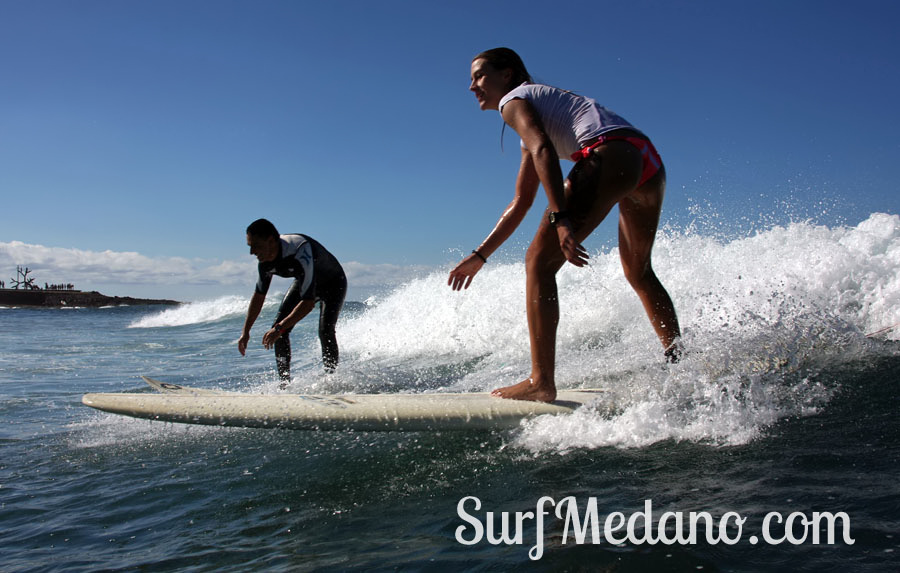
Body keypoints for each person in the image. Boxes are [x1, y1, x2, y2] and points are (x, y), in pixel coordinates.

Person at [448, 47, 681, 403]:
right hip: (644, 159)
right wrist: (480, 256)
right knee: (639, 272)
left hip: (609, 151)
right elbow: (522, 201)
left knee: (538, 263)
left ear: (507, 74)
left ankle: (541, 381)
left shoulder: (514, 100)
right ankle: (680, 362)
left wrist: (561, 218)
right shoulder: (537, 112)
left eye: (479, 76)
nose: (472, 86)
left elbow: (543, 149)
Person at [239, 218, 347, 385]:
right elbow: (259, 296)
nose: (252, 252)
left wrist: (280, 328)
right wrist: (245, 332)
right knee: (279, 331)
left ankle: (331, 380)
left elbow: (307, 303)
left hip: (333, 283)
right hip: (306, 282)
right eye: (250, 246)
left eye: (256, 246)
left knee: (325, 330)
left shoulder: (299, 250)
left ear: (270, 241)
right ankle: (285, 385)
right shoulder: (264, 263)